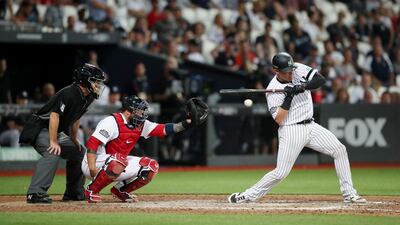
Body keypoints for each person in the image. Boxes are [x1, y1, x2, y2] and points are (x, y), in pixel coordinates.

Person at [228, 52, 366, 204]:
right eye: (287, 71)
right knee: (281, 173)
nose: (291, 72)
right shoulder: (272, 89)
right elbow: (279, 119)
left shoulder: (298, 68)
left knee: (339, 150)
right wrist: (288, 96)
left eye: (291, 69)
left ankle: (349, 194)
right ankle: (247, 195)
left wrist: (303, 86)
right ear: (276, 71)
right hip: (291, 129)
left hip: (311, 125)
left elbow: (320, 80)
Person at [82, 95, 208, 203]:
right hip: (93, 162)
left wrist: (187, 123)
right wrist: (92, 168)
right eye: (139, 111)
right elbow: (93, 143)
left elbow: (164, 129)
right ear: (128, 111)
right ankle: (92, 189)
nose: (142, 114)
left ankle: (120, 191)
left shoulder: (140, 125)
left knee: (151, 166)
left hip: (116, 163)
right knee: (119, 160)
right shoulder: (111, 121)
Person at [19, 63, 106, 204]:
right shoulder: (69, 93)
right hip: (40, 128)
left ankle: (73, 192)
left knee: (79, 152)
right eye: (95, 81)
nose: (98, 85)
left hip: (55, 130)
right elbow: (54, 116)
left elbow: (76, 117)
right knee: (52, 151)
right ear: (85, 80)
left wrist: (74, 139)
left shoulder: (89, 96)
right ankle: (35, 193)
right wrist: (53, 141)